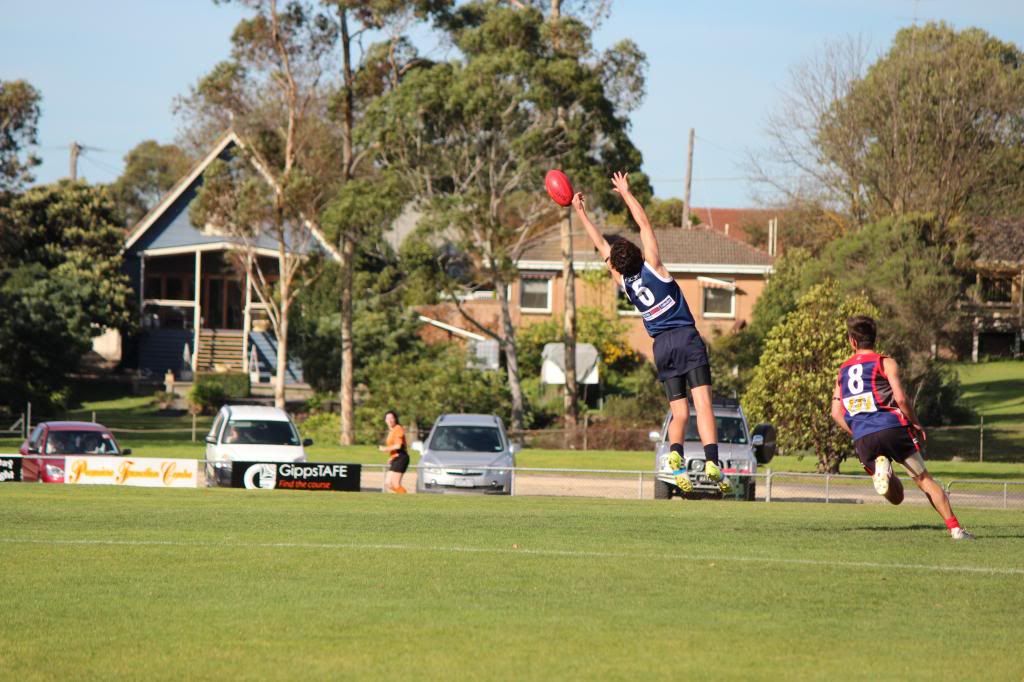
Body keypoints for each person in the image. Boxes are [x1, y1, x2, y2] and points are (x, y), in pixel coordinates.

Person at [572, 172, 729, 494]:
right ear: (639, 255)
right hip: (686, 337)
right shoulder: (653, 265)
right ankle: (712, 461)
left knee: (679, 412)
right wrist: (626, 194)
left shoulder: (624, 283)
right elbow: (644, 223)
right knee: (704, 404)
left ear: (616, 265)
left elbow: (600, 243)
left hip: (662, 347)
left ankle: (676, 457)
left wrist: (580, 213)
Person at [831, 315, 973, 540]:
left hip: (863, 437)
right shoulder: (885, 362)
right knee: (924, 480)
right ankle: (956, 529)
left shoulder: (843, 372)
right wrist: (915, 422)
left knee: (896, 497)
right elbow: (901, 399)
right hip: (892, 428)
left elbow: (836, 413)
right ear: (874, 339)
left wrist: (857, 431)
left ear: (852, 342)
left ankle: (884, 469)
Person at [379, 410, 409, 494]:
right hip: (396, 457)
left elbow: (398, 446)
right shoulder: (391, 431)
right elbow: (394, 448)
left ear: (395, 419)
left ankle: (406, 498)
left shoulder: (398, 429)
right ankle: (402, 495)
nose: (390, 420)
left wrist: (385, 449)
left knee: (395, 484)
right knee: (388, 483)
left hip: (401, 457)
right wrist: (391, 457)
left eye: (392, 418)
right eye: (387, 418)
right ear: (385, 420)